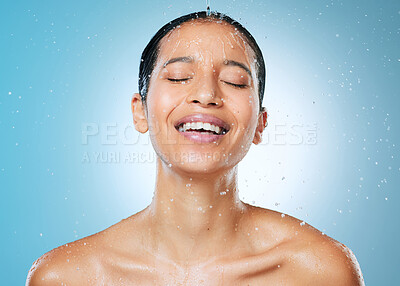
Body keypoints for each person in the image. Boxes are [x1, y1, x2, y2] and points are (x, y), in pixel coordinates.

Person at [26, 11, 364, 285]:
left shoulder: (320, 271)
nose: (205, 94)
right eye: (177, 76)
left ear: (260, 124)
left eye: (234, 81)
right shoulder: (67, 276)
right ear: (140, 111)